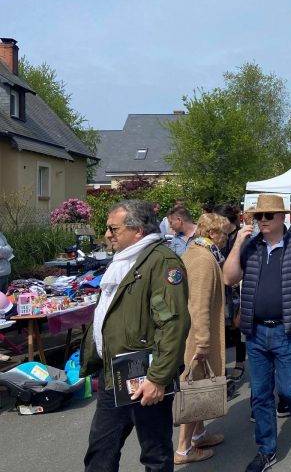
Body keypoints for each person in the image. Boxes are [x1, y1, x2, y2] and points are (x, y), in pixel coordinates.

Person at [81, 199, 191, 472]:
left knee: (155, 454)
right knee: (100, 453)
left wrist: (158, 378)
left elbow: (173, 325)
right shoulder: (123, 261)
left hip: (147, 377)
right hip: (115, 374)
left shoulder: (162, 262)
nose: (107, 235)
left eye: (113, 229)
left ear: (138, 230)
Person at [222, 194, 291, 472]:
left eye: (268, 215)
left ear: (283, 217)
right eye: (259, 216)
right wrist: (237, 244)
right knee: (259, 394)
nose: (262, 221)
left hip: (287, 330)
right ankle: (267, 450)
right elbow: (229, 278)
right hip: (255, 331)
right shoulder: (250, 246)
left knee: (290, 388)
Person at [175, 213, 229, 465]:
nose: (226, 239)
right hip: (196, 337)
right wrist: (204, 342)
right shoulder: (204, 259)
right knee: (194, 389)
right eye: (224, 234)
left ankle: (198, 433)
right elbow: (198, 305)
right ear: (213, 234)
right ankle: (184, 449)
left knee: (199, 386)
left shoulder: (197, 253)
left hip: (194, 333)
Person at [214, 205, 246, 382]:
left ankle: (240, 362)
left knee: (237, 327)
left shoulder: (241, 237)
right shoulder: (221, 236)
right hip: (224, 287)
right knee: (225, 327)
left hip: (237, 287)